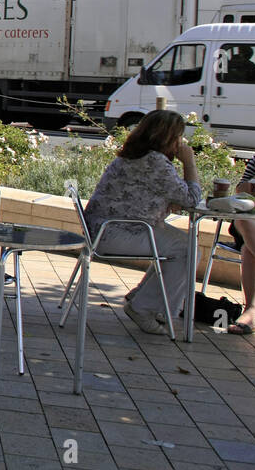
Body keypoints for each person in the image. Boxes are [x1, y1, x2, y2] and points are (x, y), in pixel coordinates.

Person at [83, 109, 203, 335]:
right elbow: (192, 199)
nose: (181, 142)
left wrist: (166, 201)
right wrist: (189, 162)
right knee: (188, 249)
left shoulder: (135, 155)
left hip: (106, 229)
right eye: (178, 136)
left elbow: (148, 192)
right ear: (167, 137)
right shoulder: (155, 161)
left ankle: (140, 298)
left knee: (182, 245)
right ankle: (144, 308)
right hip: (117, 232)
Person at [225, 151, 255, 334]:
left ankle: (251, 312)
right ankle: (251, 312)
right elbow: (241, 193)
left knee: (251, 247)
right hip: (251, 225)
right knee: (246, 222)